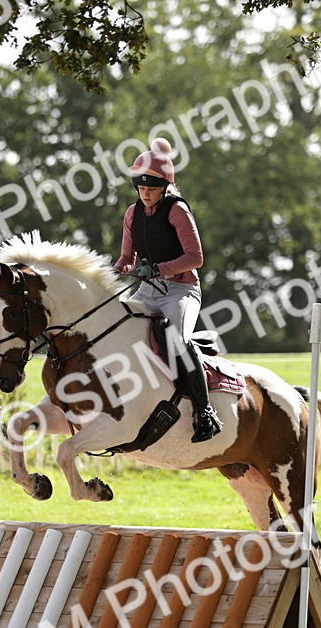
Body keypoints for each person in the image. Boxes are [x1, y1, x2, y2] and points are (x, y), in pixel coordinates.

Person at [112, 137, 223, 443]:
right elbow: (127, 258)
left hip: (181, 290)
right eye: (142, 188)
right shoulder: (132, 214)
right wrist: (114, 269)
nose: (146, 194)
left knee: (176, 339)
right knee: (116, 328)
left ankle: (205, 412)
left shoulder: (177, 211)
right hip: (148, 291)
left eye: (152, 189)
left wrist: (159, 269)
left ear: (165, 187)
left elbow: (196, 258)